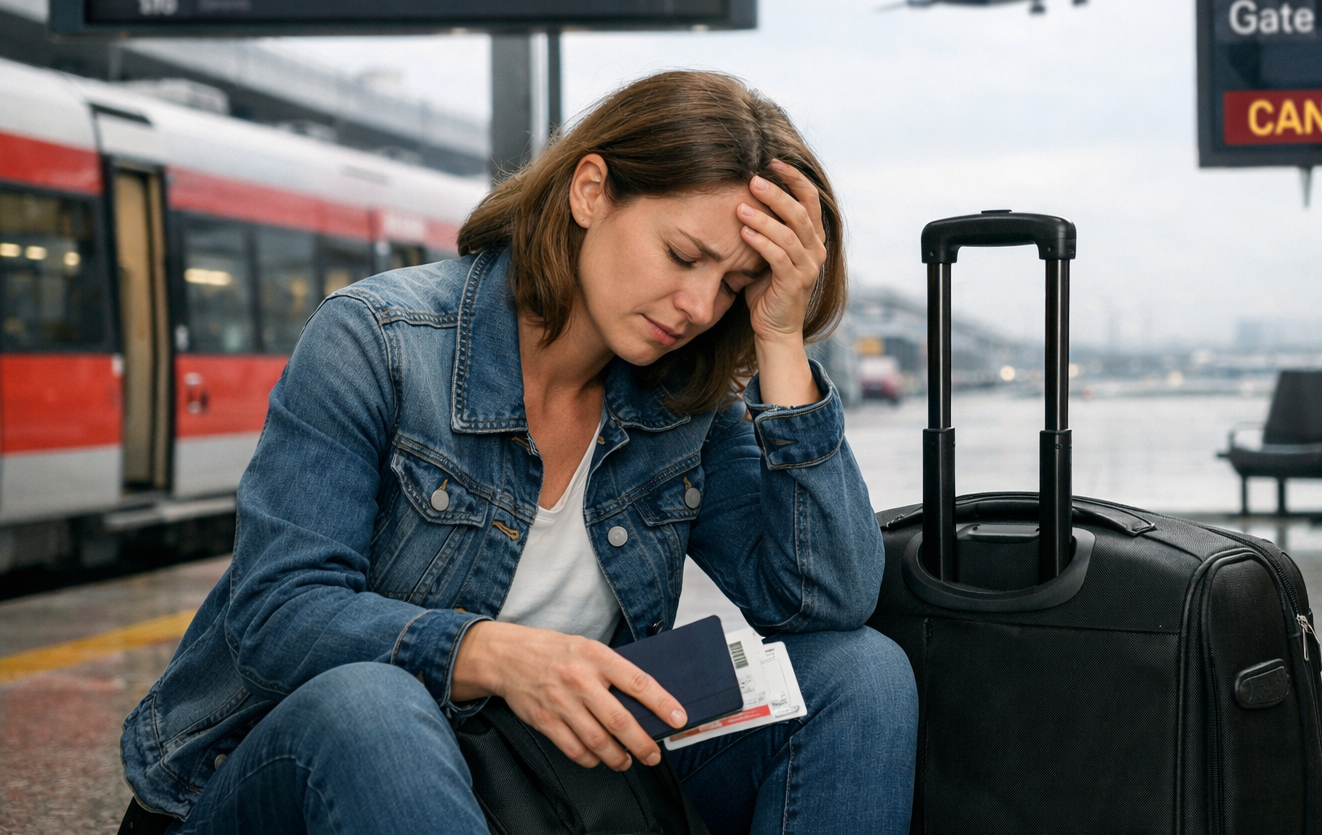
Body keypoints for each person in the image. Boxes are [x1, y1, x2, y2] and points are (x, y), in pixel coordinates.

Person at [121, 71, 918, 835]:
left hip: (538, 781)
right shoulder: (378, 342)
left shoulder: (683, 401)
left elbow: (825, 602)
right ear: (590, 191)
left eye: (736, 285)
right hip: (310, 779)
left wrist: (779, 338)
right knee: (372, 704)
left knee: (858, 674)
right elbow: (277, 617)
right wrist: (496, 657)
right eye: (683, 255)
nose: (700, 306)